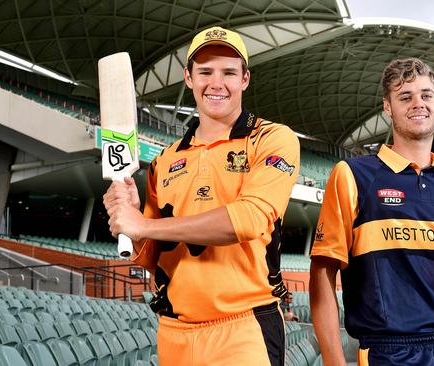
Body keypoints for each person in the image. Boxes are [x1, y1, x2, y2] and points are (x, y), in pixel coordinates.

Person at [103, 26, 300, 366]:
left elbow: (250, 219)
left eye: (228, 72)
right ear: (188, 78)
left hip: (244, 329)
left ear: (245, 79)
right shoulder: (164, 162)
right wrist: (133, 220)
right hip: (174, 332)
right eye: (205, 72)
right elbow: (152, 255)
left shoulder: (272, 138)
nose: (216, 83)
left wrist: (144, 226)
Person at [309, 58, 434, 366]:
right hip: (389, 353)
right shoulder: (354, 174)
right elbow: (322, 273)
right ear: (388, 107)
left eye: (426, 95)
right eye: (405, 96)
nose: (418, 103)